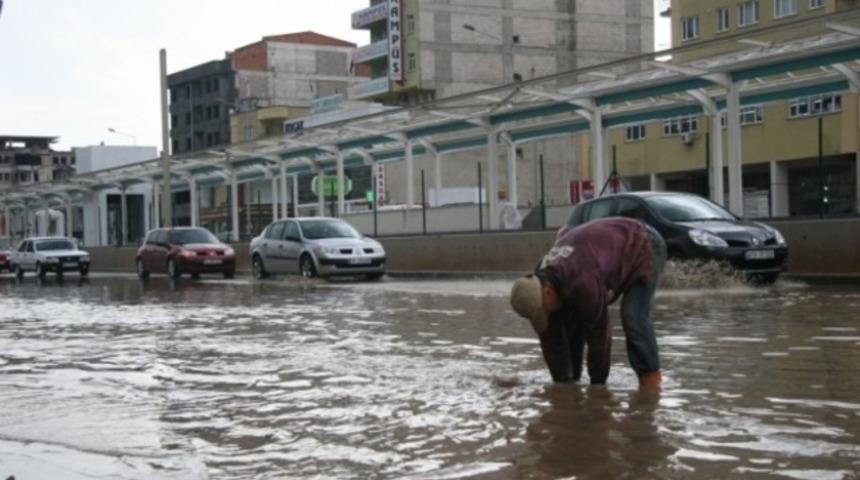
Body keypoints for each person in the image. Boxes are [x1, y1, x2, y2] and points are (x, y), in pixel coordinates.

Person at [510, 217, 666, 388]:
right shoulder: (540, 280)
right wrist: (563, 384)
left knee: (632, 314)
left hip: (643, 242)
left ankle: (651, 381)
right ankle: (573, 377)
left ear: (547, 293)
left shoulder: (583, 281)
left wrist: (598, 389)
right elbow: (550, 340)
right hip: (601, 252)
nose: (544, 316)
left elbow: (600, 340)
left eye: (542, 312)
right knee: (566, 315)